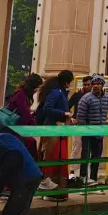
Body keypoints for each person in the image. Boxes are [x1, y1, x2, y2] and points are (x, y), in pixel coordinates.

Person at [35, 71, 74, 200]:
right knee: (51, 158)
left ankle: (51, 189)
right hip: (53, 130)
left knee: (54, 158)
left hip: (58, 130)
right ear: (67, 82)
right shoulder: (57, 92)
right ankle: (50, 188)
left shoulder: (59, 92)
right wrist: (64, 114)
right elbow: (48, 108)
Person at [67, 76, 94, 173]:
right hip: (77, 125)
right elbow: (67, 106)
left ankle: (84, 172)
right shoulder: (77, 95)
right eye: (85, 85)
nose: (86, 87)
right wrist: (71, 118)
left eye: (88, 85)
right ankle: (72, 171)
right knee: (76, 148)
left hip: (89, 126)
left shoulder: (95, 96)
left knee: (87, 150)